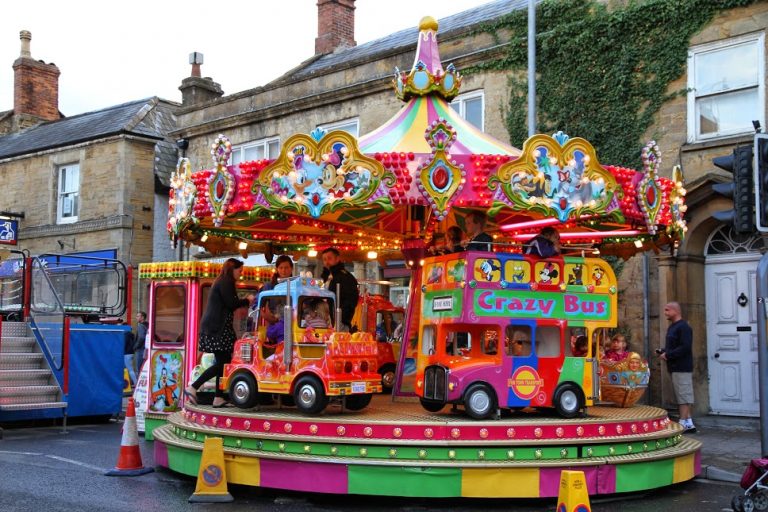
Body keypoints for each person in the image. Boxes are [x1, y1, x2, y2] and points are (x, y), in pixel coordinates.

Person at [185, 258, 253, 408]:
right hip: (218, 328)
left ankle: (218, 397)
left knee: (224, 362)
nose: (240, 274)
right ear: (232, 269)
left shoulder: (223, 281)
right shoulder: (225, 282)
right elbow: (231, 303)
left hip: (217, 326)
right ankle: (194, 387)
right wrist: (247, 300)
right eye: (239, 271)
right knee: (224, 362)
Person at [659, 301, 696, 433]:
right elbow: (673, 346)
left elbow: (685, 347)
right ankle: (689, 422)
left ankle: (682, 423)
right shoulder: (672, 327)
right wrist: (663, 351)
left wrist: (668, 355)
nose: (665, 313)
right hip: (674, 366)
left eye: (667, 310)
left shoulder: (684, 327)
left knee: (684, 396)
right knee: (681, 394)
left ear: (676, 311)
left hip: (682, 366)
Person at [321, 247, 359, 332]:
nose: (327, 262)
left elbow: (351, 299)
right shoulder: (325, 277)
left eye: (329, 258)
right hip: (325, 318)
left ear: (337, 259)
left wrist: (341, 316)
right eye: (324, 259)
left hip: (338, 320)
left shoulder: (345, 277)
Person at [133, 311, 148, 375]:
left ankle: (138, 383)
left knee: (138, 368)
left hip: (140, 350)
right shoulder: (147, 325)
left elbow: (141, 338)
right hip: (145, 349)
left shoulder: (141, 326)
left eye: (138, 316)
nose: (136, 318)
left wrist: (135, 347)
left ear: (142, 317)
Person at [121, 319, 136, 386]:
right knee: (127, 368)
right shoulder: (131, 334)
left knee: (130, 369)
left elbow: (124, 344)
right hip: (131, 353)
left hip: (127, 353)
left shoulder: (125, 334)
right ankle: (129, 383)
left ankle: (135, 383)